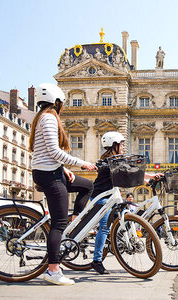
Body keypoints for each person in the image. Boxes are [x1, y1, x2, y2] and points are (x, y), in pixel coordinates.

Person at [30, 83, 96, 285]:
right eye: (62, 103)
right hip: (48, 174)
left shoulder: (42, 117)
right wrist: (81, 163)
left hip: (53, 170)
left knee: (86, 186)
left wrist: (63, 168)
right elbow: (53, 150)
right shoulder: (49, 118)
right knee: (58, 224)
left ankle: (75, 220)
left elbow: (46, 152)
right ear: (56, 102)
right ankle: (53, 271)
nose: (63, 107)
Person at [90, 131, 161, 275]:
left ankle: (118, 240)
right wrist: (150, 175)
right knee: (104, 227)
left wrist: (147, 180)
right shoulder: (111, 161)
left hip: (110, 196)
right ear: (114, 145)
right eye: (121, 144)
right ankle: (96, 261)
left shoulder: (114, 159)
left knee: (125, 213)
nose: (123, 146)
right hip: (101, 197)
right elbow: (130, 170)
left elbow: (128, 173)